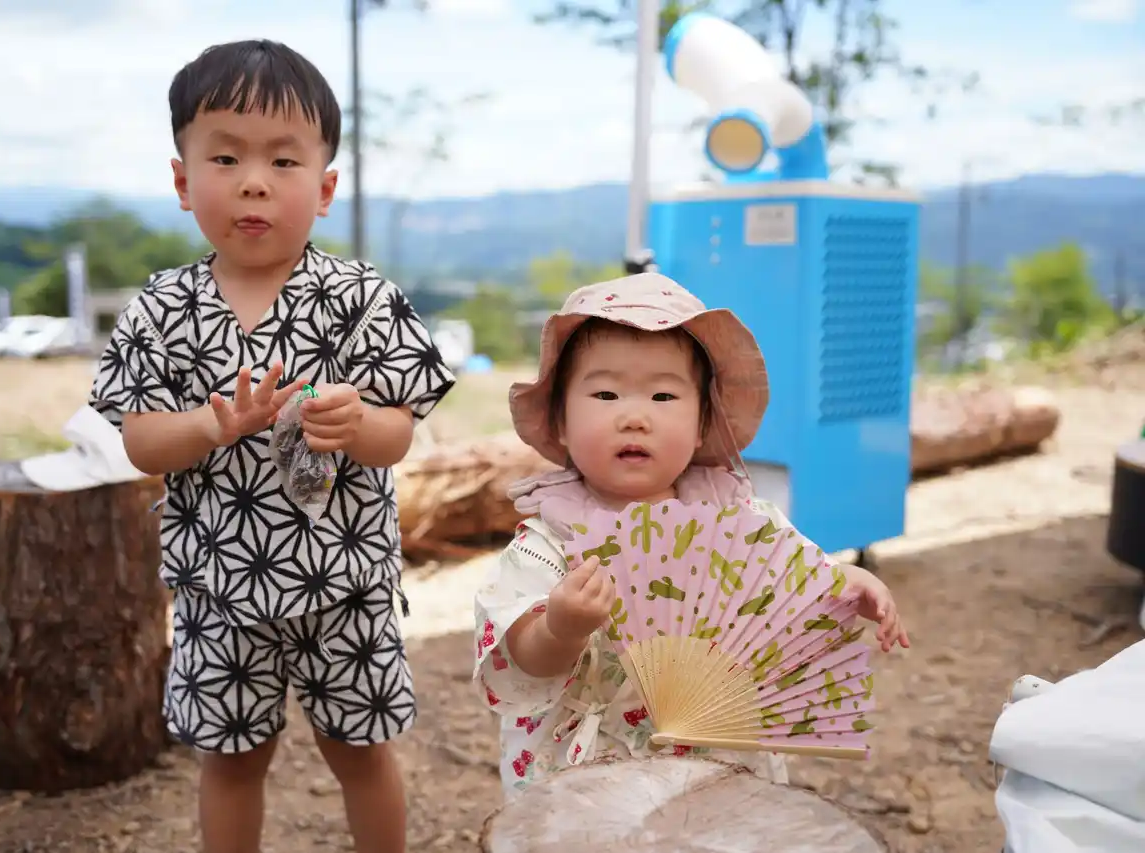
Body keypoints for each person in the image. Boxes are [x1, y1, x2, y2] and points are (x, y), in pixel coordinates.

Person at [89, 40, 456, 853]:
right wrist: (212, 427)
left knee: (360, 749)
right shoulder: (163, 305)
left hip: (346, 583)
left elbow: (398, 431)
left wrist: (356, 424)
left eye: (283, 160)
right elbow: (143, 441)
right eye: (225, 156)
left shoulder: (360, 298)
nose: (254, 180)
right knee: (231, 758)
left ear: (324, 189)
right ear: (183, 180)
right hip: (221, 588)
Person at [471, 273, 910, 798]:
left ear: (703, 423)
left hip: (717, 758)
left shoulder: (738, 519)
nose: (634, 417)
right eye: (605, 393)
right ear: (560, 421)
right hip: (588, 772)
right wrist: (559, 629)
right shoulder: (551, 537)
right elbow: (517, 658)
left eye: (662, 395)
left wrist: (845, 582)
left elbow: (792, 585)